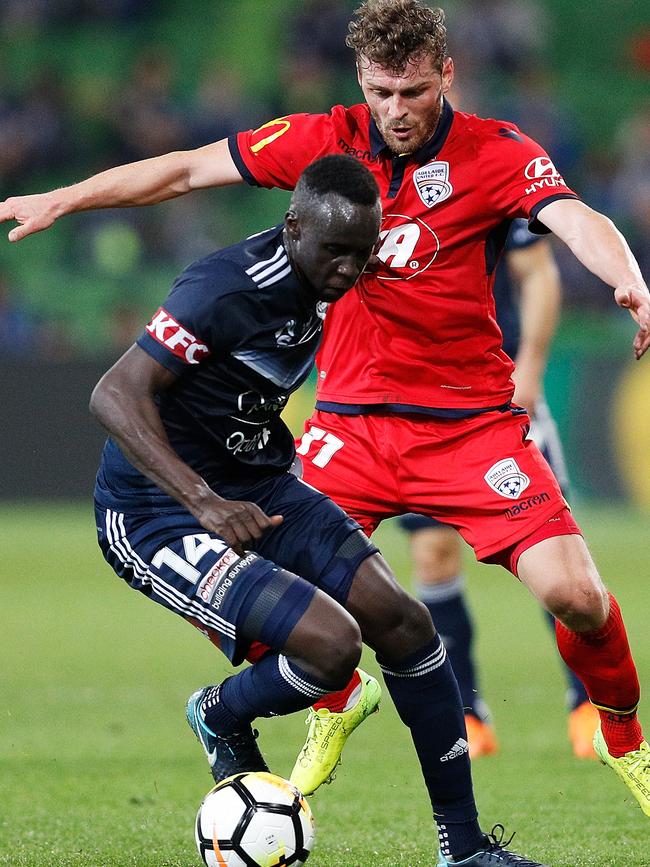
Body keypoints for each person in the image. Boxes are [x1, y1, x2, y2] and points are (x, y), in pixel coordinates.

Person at [1, 0, 649, 850]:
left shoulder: (496, 153)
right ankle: (335, 702)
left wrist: (629, 279)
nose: (397, 110)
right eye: (382, 91)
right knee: (251, 595)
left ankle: (624, 740)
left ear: (446, 75)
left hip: (468, 425)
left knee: (577, 594)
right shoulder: (323, 145)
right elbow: (189, 170)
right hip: (349, 424)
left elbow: (576, 219)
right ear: (361, 83)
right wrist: (67, 196)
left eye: (414, 90)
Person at [88, 154, 546, 867]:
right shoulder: (223, 288)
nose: (349, 268)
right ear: (293, 225)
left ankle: (464, 849)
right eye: (334, 251)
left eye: (362, 252)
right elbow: (114, 394)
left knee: (403, 620)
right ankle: (220, 711)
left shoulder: (343, 277)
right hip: (154, 511)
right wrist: (203, 500)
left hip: (262, 482)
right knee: (332, 649)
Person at [397, 219, 598, 761]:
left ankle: (587, 703)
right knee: (432, 554)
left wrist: (528, 371)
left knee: (550, 551)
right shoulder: (383, 180)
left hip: (495, 389)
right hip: (415, 403)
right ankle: (466, 711)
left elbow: (537, 273)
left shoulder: (494, 176)